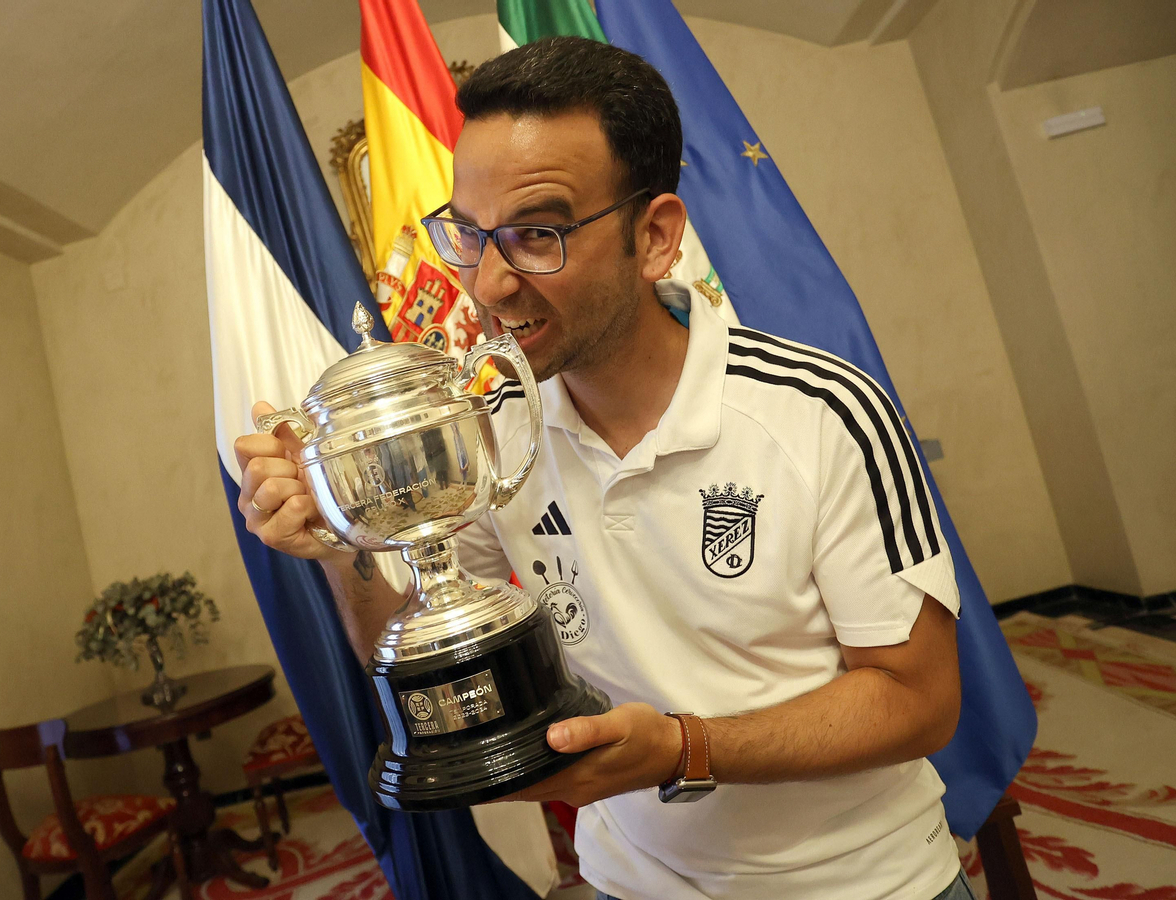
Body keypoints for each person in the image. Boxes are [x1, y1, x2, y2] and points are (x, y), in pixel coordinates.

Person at [234, 36, 974, 900]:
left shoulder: (820, 412)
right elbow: (423, 639)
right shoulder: (488, 428)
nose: (491, 285)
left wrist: (683, 748)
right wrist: (343, 534)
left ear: (655, 236)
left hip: (862, 886)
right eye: (468, 238)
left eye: (538, 234)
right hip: (633, 884)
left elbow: (919, 701)